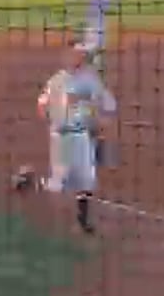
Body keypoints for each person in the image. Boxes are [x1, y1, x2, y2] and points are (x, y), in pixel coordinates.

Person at [35, 44, 117, 235]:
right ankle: (30, 182)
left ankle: (83, 221)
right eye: (74, 54)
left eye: (80, 55)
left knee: (85, 181)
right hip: (60, 138)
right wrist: (51, 118)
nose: (76, 58)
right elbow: (41, 105)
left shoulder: (91, 80)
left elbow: (106, 105)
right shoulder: (56, 80)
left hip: (81, 136)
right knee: (57, 185)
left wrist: (99, 121)